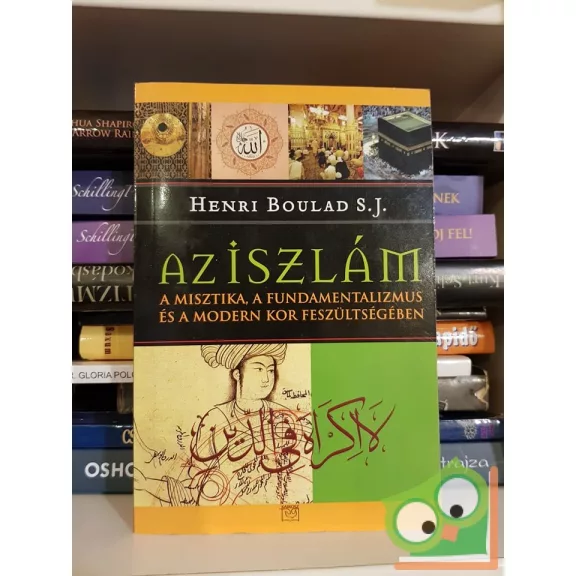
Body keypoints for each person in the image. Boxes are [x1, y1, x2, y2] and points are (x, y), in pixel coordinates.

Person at [134, 343, 311, 507]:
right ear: (237, 374)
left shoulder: (284, 418)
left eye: (270, 371)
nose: (266, 378)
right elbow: (196, 483)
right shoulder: (215, 419)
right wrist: (148, 484)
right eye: (258, 369)